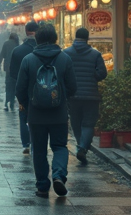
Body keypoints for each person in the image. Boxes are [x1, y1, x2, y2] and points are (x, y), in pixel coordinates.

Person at [15, 23, 78, 199]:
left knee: (39, 150)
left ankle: (43, 186)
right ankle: (58, 175)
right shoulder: (65, 58)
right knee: (59, 146)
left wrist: (26, 107)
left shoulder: (28, 59)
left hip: (36, 115)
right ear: (55, 38)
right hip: (58, 114)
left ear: (37, 39)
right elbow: (73, 86)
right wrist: (63, 98)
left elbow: (19, 89)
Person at [64, 27, 108, 163]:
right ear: (87, 38)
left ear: (75, 37)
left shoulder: (66, 53)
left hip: (73, 96)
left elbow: (62, 73)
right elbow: (103, 73)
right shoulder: (95, 54)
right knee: (88, 124)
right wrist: (92, 76)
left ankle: (80, 146)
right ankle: (83, 147)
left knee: (76, 123)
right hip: (91, 95)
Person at [7, 21, 38, 153]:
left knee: (23, 116)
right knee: (39, 117)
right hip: (41, 90)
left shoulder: (18, 50)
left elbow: (12, 72)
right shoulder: (42, 50)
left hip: (23, 91)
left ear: (25, 32)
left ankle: (26, 143)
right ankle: (37, 141)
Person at [0, 32, 19, 111]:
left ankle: (6, 102)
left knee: (8, 84)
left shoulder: (6, 43)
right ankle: (12, 101)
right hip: (16, 68)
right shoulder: (17, 44)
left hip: (8, 67)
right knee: (14, 85)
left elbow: (2, 55)